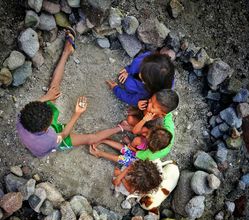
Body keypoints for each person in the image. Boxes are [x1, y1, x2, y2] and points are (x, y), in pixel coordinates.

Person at [16, 29, 130, 158]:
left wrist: (47, 97)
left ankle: (66, 51)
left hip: (36, 133)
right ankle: (121, 128)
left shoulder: (21, 119)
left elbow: (30, 107)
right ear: (47, 128)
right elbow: (63, 134)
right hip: (50, 144)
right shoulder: (49, 138)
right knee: (90, 139)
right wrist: (77, 114)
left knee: (53, 90)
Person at [106, 49, 175, 106]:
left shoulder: (149, 92)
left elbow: (132, 99)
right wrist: (128, 70)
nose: (139, 74)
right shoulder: (149, 58)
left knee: (128, 83)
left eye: (143, 78)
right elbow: (137, 62)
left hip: (144, 88)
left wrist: (116, 89)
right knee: (137, 64)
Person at [126, 89, 179, 160]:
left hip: (152, 142)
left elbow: (134, 132)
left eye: (153, 106)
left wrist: (134, 150)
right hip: (151, 131)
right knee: (130, 119)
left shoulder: (150, 154)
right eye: (150, 100)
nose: (149, 104)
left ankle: (132, 143)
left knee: (137, 139)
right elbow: (167, 110)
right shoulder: (167, 126)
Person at [89, 126, 172, 167]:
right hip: (141, 153)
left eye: (147, 136)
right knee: (125, 149)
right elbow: (168, 115)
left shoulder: (149, 155)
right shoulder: (168, 131)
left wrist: (131, 147)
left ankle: (100, 153)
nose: (145, 136)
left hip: (140, 161)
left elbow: (136, 154)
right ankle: (104, 140)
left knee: (125, 159)